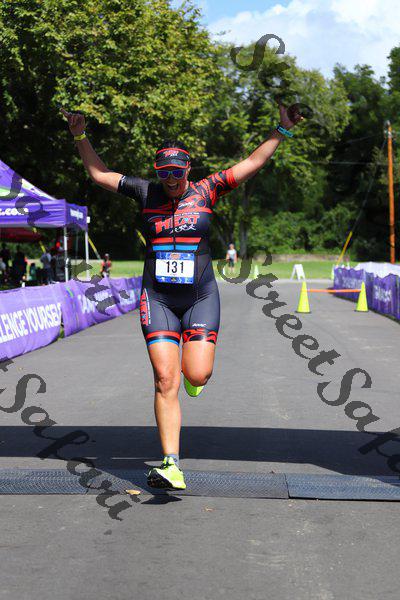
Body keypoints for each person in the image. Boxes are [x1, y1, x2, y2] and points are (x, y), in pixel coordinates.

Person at [61, 104, 303, 490]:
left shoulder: (208, 189)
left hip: (199, 297)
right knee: (163, 378)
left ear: (188, 169)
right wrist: (79, 135)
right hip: (157, 299)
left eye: (177, 172)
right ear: (157, 172)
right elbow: (100, 174)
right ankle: (171, 463)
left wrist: (282, 129)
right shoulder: (145, 192)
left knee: (197, 373)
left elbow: (252, 162)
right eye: (164, 173)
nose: (171, 179)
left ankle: (194, 375)